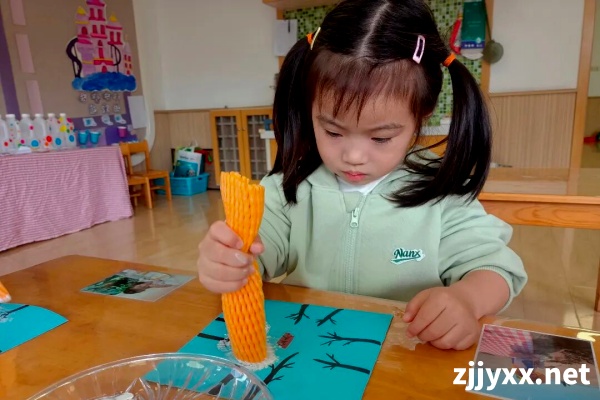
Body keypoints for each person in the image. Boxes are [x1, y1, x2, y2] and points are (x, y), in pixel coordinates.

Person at [197, 0, 527, 350]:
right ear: (310, 108)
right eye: (333, 132)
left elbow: (494, 267)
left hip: (403, 354)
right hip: (311, 349)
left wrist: (467, 299)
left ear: (422, 114)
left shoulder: (442, 193)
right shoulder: (288, 187)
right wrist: (232, 261)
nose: (353, 157)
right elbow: (260, 245)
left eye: (381, 138)